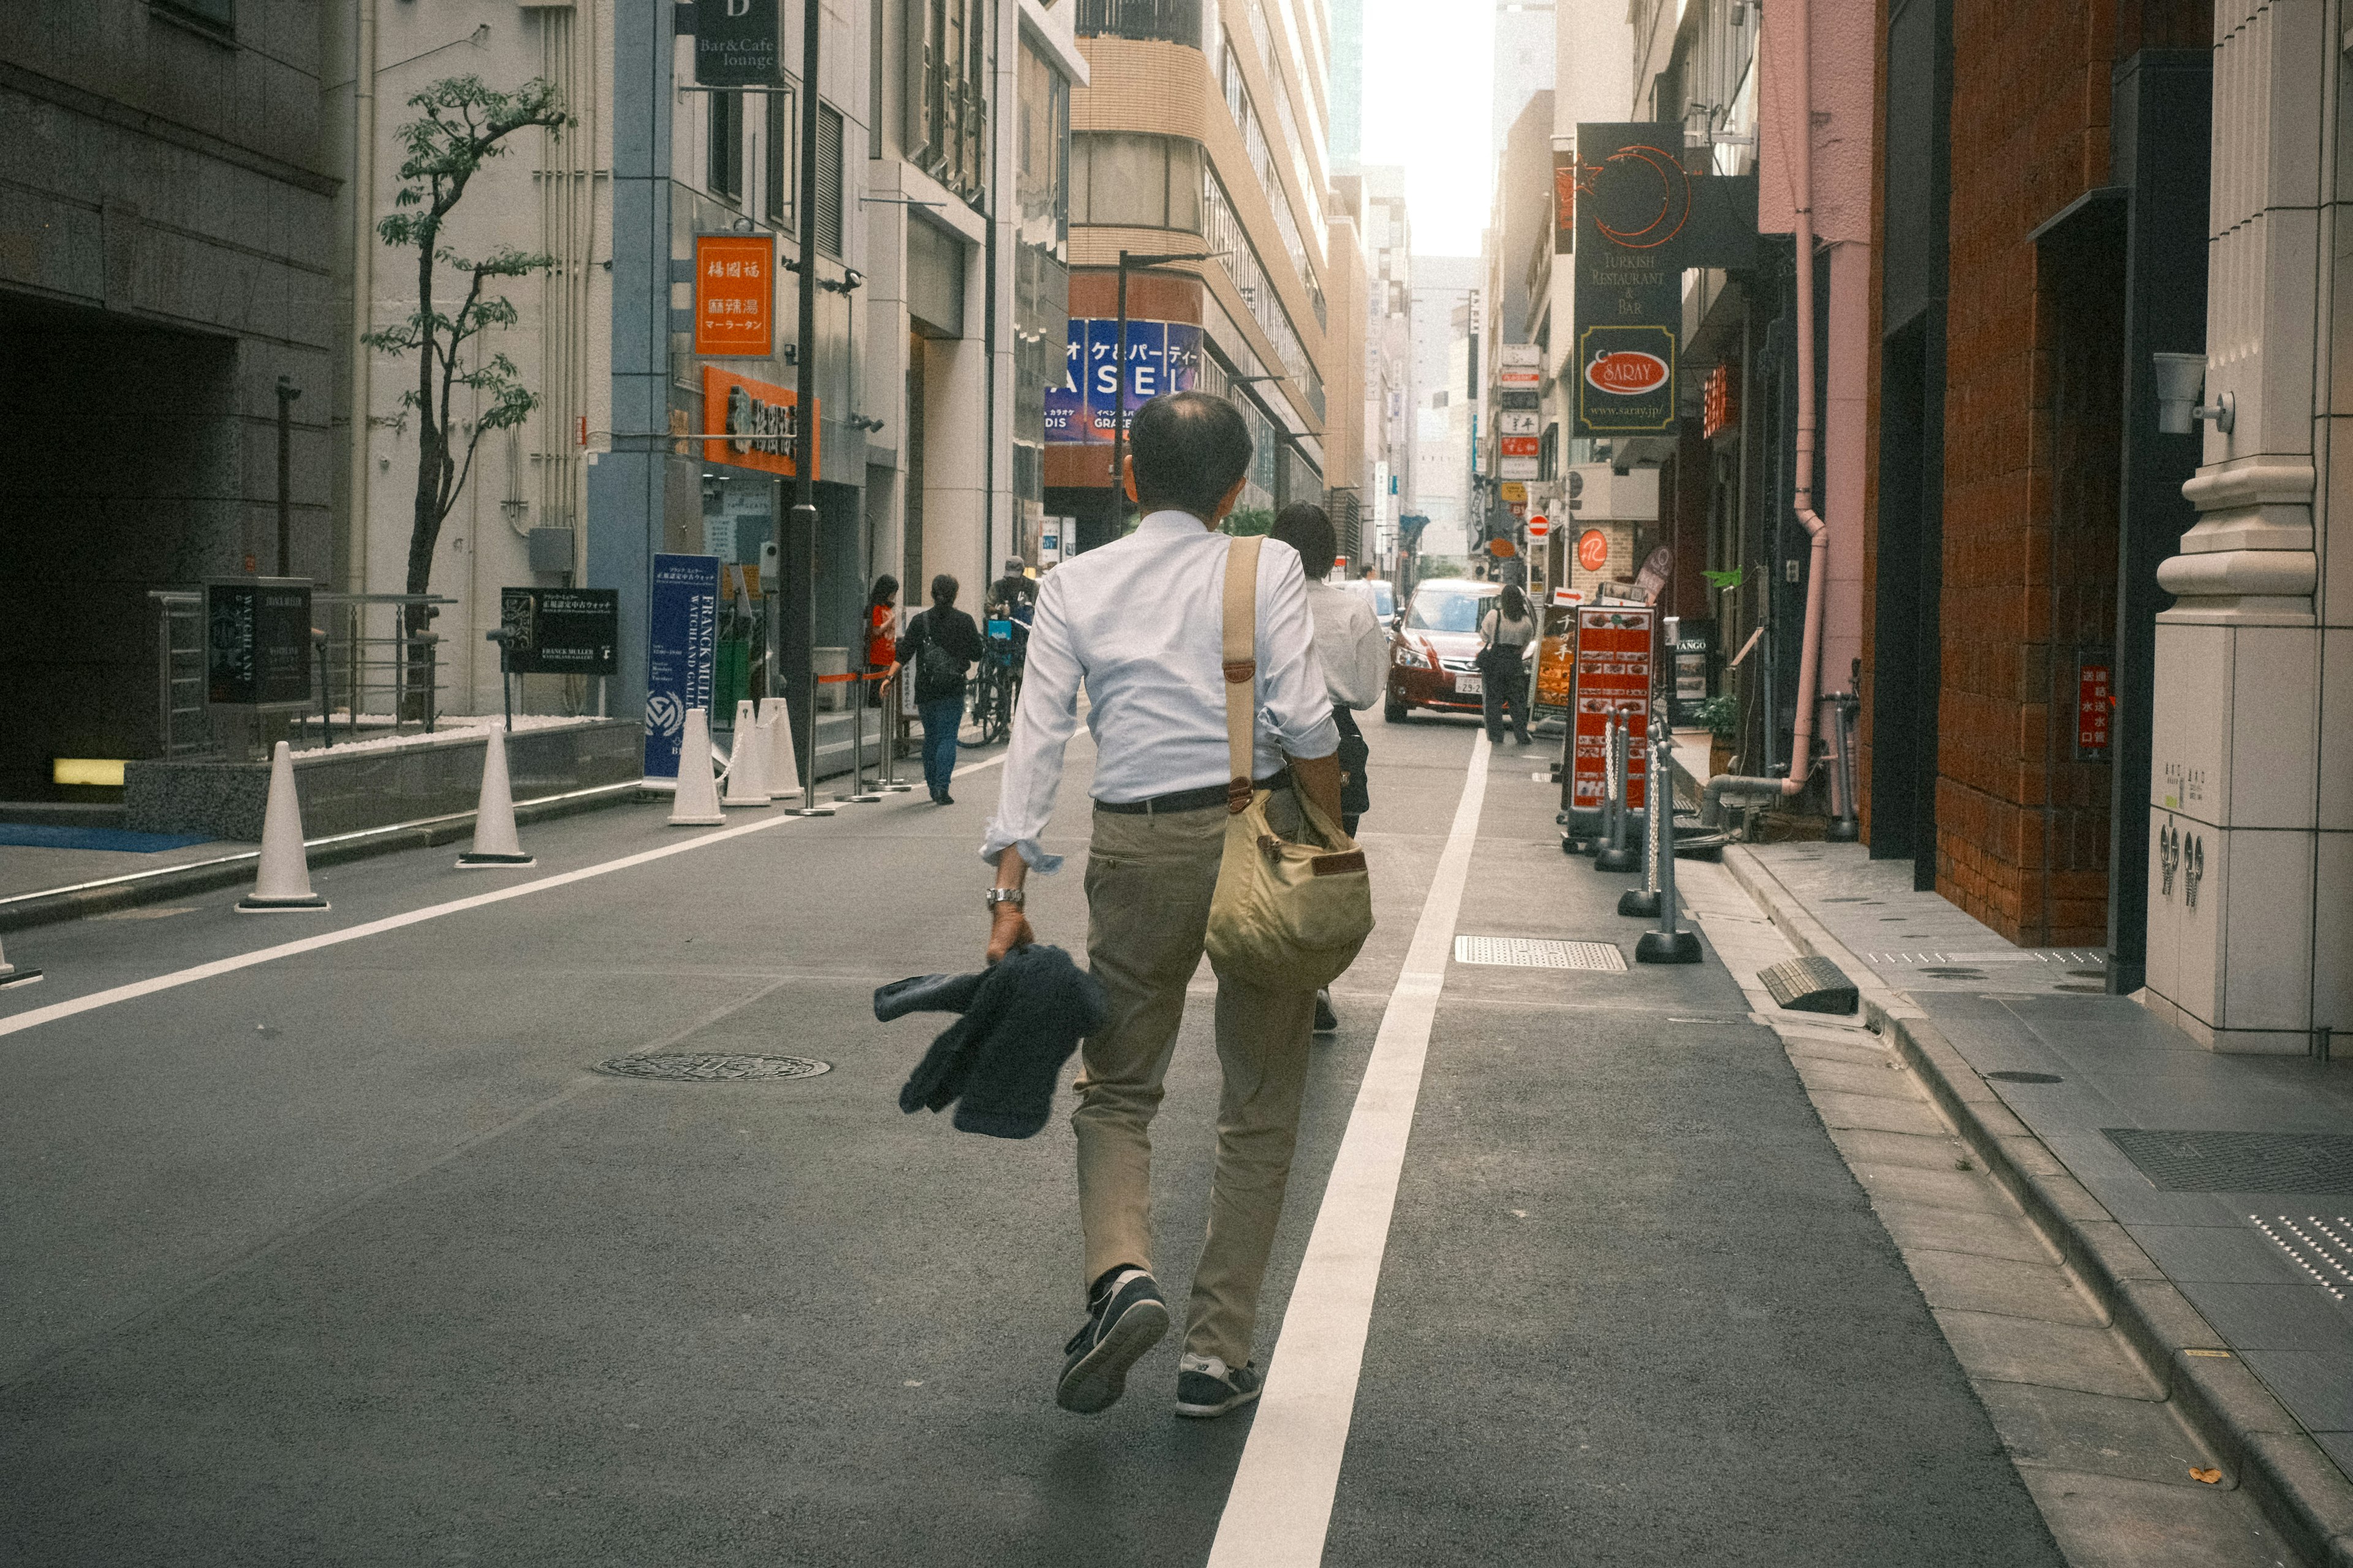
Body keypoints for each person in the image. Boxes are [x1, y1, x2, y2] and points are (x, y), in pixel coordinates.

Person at [979, 390, 1346, 1422]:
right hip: (1253, 835)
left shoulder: (1074, 582)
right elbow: (1305, 719)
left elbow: (1038, 739)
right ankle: (1215, 1353)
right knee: (1260, 1096)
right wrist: (1332, 830)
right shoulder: (1264, 562)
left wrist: (1009, 891)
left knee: (1118, 1086)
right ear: (1236, 491)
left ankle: (1121, 1274)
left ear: (1129, 477)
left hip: (1133, 844)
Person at [1268, 503, 1385, 1036]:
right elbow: (1366, 691)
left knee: (1264, 859)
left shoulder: (1255, 603)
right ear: (1331, 555)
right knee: (1326, 859)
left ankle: (1263, 970)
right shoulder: (1354, 611)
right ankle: (1313, 980)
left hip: (1263, 739)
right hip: (1335, 739)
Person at [901, 574, 984, 803]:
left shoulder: (920, 621)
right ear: (955, 595)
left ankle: (931, 784)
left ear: (932, 593)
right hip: (952, 688)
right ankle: (942, 786)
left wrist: (888, 677)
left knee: (932, 737)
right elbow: (977, 653)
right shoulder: (965, 621)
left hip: (926, 689)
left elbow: (905, 651)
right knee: (948, 736)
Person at [1478, 581, 1537, 745]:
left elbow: (1484, 636)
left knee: (1493, 702)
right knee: (1517, 702)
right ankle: (1521, 734)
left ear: (1503, 600)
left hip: (1495, 662)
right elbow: (1527, 642)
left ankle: (1496, 736)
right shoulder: (1526, 621)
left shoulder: (1494, 615)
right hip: (1515, 663)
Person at [863, 575, 901, 708]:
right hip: (878, 652)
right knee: (877, 684)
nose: (893, 596)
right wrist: (891, 621)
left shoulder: (887, 608)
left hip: (889, 651)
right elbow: (877, 630)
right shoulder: (877, 608)